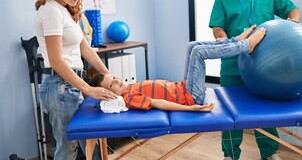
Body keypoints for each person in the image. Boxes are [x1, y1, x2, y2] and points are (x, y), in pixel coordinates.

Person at [209, 0, 301, 160]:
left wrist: (293, 21)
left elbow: (292, 9)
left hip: (264, 65)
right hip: (233, 63)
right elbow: (217, 28)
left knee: (264, 110)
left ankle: (269, 151)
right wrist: (221, 36)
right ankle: (230, 154)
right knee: (231, 112)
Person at [35, 0, 126, 160]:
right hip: (59, 86)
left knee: (90, 132)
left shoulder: (65, 11)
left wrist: (109, 76)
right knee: (68, 146)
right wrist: (88, 89)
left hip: (71, 84)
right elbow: (57, 61)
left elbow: (86, 50)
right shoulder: (50, 11)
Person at [89, 26, 266, 111]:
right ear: (111, 94)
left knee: (191, 46)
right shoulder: (129, 97)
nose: (117, 81)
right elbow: (158, 103)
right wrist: (191, 108)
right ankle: (244, 45)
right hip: (190, 96)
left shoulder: (130, 88)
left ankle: (234, 41)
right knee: (198, 52)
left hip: (183, 86)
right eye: (112, 85)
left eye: (113, 78)